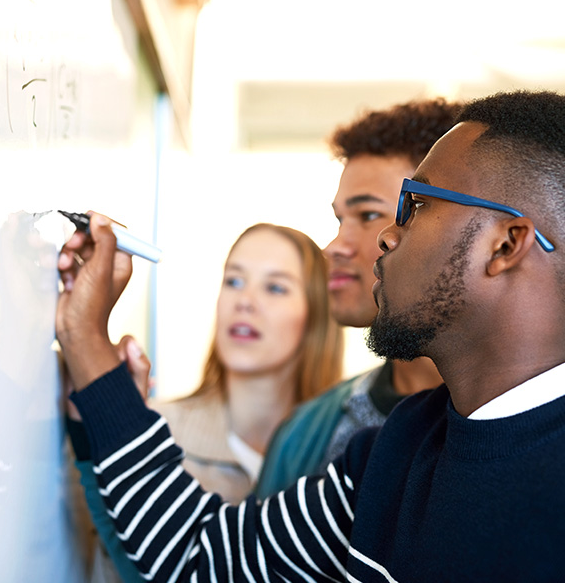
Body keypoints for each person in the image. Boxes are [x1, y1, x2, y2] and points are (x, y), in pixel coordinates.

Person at [57, 89, 565, 581]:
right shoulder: (396, 450)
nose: (389, 234)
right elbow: (198, 555)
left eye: (415, 204)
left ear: (506, 244)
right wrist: (86, 339)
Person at [66, 222, 344, 580]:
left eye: (275, 287)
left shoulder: (343, 449)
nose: (245, 301)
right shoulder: (153, 432)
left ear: (317, 315)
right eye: (234, 281)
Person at [256, 98, 460, 497]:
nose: (334, 246)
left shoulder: (516, 425)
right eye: (338, 220)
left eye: (367, 215)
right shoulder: (307, 433)